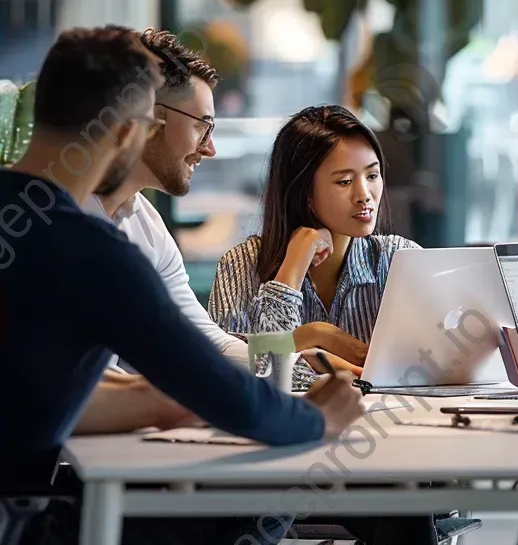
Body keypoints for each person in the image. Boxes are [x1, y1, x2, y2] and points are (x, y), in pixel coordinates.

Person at [0, 27, 364, 545]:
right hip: (31, 520)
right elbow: (220, 392)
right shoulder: (91, 252)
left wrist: (161, 396)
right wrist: (315, 420)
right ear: (130, 133)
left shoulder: (64, 229)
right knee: (264, 503)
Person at [84, 30, 362, 382]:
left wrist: (300, 368)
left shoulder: (144, 222)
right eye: (203, 126)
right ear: (150, 117)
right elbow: (89, 383)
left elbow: (206, 343)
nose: (210, 148)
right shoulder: (61, 220)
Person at [209, 105, 420, 361]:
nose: (364, 194)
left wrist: (311, 354)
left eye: (372, 175)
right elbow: (238, 372)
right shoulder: (242, 265)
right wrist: (293, 271)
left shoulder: (399, 259)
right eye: (344, 181)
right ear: (304, 192)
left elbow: (433, 363)